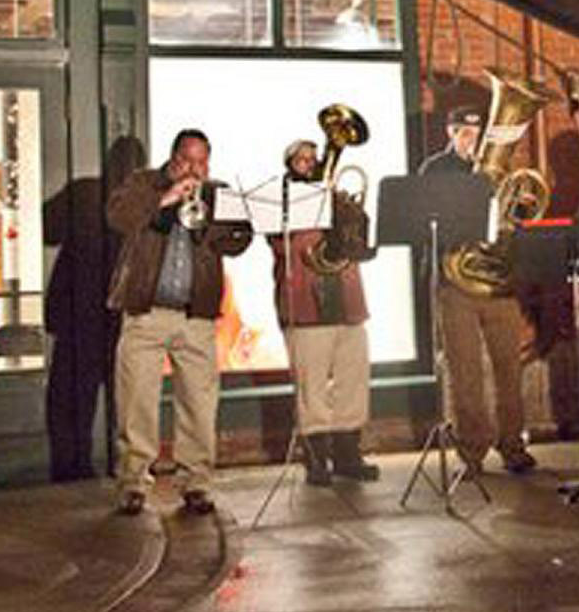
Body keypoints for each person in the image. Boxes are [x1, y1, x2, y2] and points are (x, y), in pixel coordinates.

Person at [105, 128, 252, 516]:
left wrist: (222, 217)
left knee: (199, 405)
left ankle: (197, 484)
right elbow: (118, 215)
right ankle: (134, 483)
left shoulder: (215, 192)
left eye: (202, 161)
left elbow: (238, 242)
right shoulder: (143, 183)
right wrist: (165, 197)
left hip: (196, 316)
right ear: (172, 159)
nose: (195, 168)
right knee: (137, 402)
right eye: (188, 160)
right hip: (146, 312)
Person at [420, 105, 536, 476]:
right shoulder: (435, 170)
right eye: (464, 133)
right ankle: (471, 452)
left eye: (476, 133)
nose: (471, 139)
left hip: (498, 283)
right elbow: (425, 222)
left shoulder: (500, 169)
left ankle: (513, 445)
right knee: (465, 370)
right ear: (451, 133)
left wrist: (520, 209)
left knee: (509, 368)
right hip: (456, 282)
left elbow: (517, 218)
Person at [269, 139, 379, 486]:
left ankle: (348, 453)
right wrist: (318, 222)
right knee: (311, 385)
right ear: (289, 164)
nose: (309, 163)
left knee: (353, 379)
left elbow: (360, 239)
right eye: (301, 159)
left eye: (313, 158)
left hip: (346, 301)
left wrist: (348, 215)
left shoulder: (338, 198)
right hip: (305, 302)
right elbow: (282, 244)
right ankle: (315, 455)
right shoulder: (279, 200)